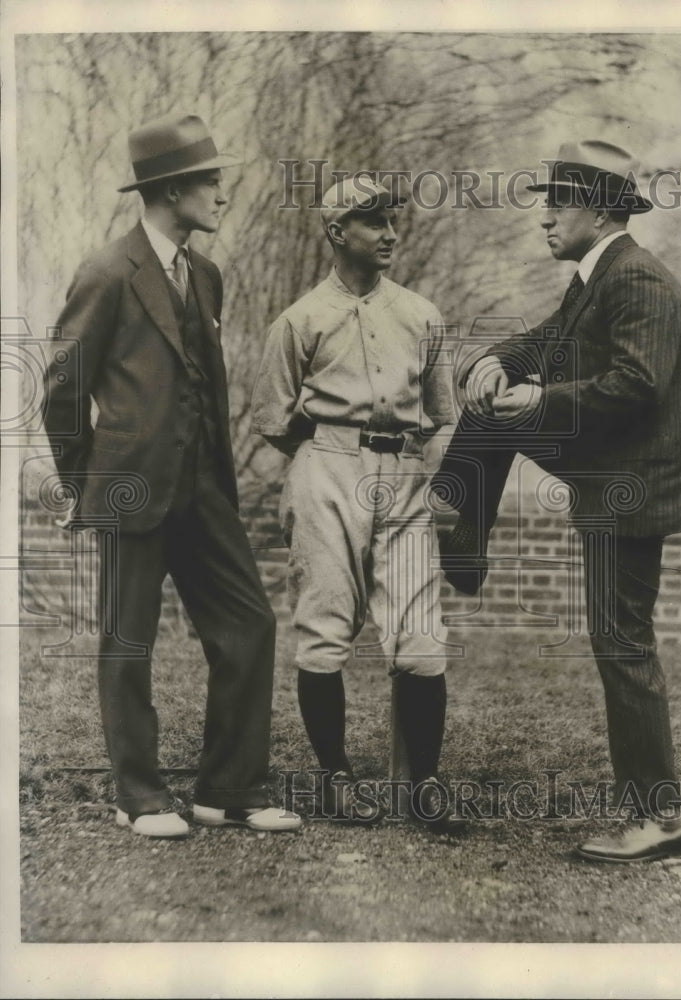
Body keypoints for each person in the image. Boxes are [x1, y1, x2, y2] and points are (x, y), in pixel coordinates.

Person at [432, 140, 681, 861]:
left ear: (601, 210)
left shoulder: (636, 279)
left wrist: (538, 400)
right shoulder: (599, 276)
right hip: (614, 471)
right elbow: (552, 338)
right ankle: (463, 537)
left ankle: (661, 817)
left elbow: (637, 384)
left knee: (622, 643)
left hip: (634, 487)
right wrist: (498, 361)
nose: (545, 217)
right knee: (490, 410)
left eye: (559, 203)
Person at [42, 113, 300, 838]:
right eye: (211, 181)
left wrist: (216, 476)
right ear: (172, 191)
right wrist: (82, 484)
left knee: (249, 623)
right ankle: (140, 796)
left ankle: (229, 790)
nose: (222, 194)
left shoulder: (205, 276)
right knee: (129, 641)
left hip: (203, 489)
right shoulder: (107, 272)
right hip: (129, 488)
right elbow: (62, 388)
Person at [250, 177, 464, 832]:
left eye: (392, 220)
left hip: (404, 471)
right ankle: (336, 778)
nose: (390, 233)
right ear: (337, 232)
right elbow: (273, 418)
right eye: (373, 222)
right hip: (328, 467)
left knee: (421, 637)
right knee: (325, 627)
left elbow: (443, 413)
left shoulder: (421, 314)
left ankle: (424, 784)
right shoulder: (301, 319)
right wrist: (324, 457)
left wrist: (430, 477)